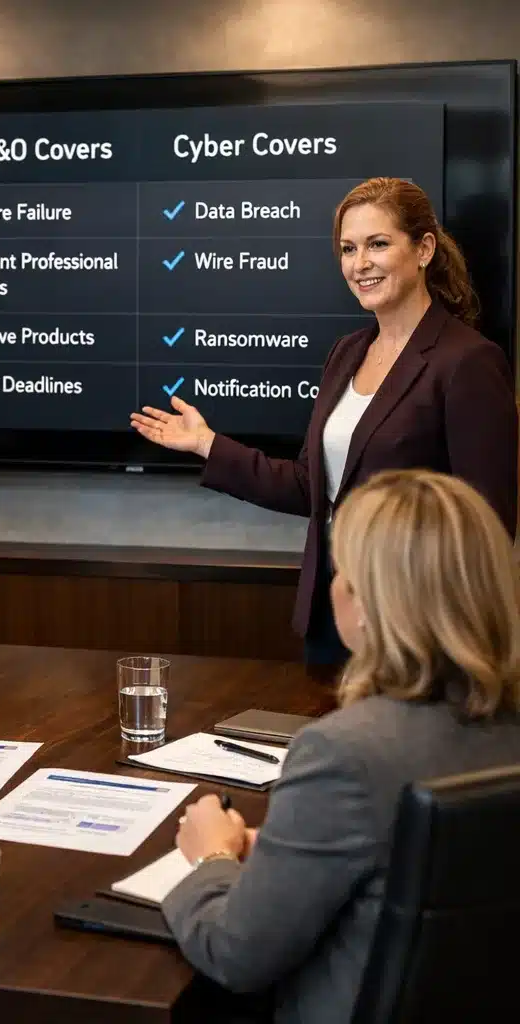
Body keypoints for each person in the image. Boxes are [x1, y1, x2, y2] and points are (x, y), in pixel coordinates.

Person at [161, 470, 520, 1024]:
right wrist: (287, 849)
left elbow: (235, 953)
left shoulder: (342, 754)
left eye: (341, 570)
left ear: (370, 603)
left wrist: (211, 857)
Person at [130, 177, 518, 668]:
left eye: (378, 244)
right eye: (348, 249)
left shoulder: (467, 361)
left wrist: (443, 632)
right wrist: (208, 444)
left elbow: (487, 525)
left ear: (423, 249)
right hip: (332, 612)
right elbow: (310, 487)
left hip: (417, 627)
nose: (360, 264)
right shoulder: (347, 353)